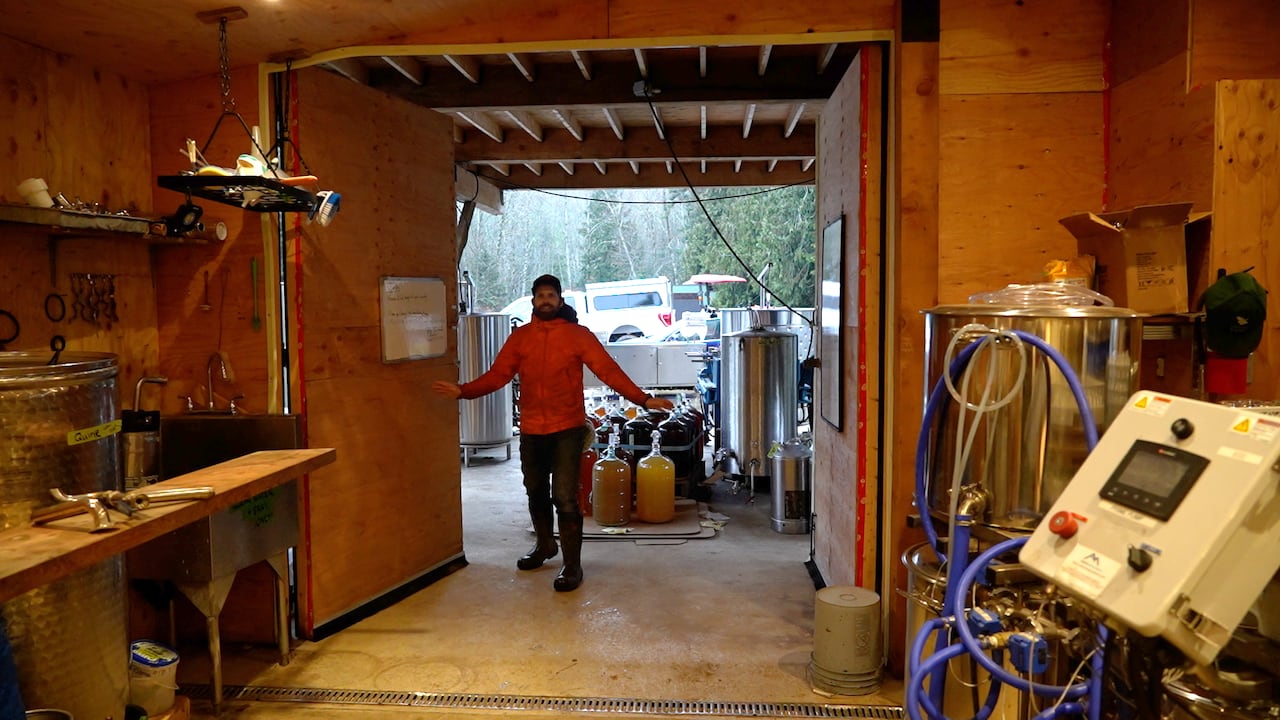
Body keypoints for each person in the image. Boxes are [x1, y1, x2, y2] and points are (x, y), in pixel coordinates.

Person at [433, 274, 674, 592]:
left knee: (564, 496)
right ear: (534, 301)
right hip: (532, 429)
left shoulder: (578, 336)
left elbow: (608, 371)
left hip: (567, 429)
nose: (545, 300)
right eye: (540, 296)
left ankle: (572, 566)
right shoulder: (521, 338)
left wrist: (642, 399)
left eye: (551, 295)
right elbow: (498, 375)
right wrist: (463, 391)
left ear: (560, 301)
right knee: (534, 491)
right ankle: (545, 545)